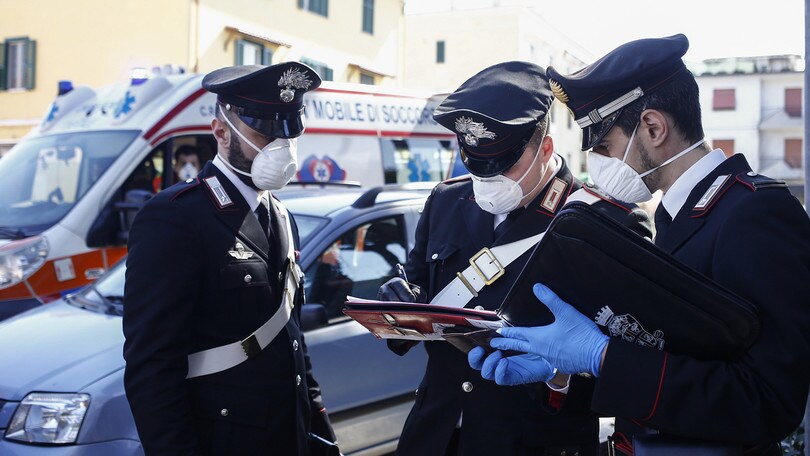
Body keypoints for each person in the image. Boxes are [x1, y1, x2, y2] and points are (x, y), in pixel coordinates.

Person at [469, 34, 810, 455]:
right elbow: (665, 356)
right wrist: (559, 371)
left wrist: (602, 356)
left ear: (653, 127)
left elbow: (768, 401)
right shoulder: (675, 216)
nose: (599, 163)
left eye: (605, 146)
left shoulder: (755, 213)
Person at [376, 61, 652, 456]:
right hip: (434, 436)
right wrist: (398, 303)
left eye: (504, 165)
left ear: (546, 149)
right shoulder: (447, 201)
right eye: (476, 166)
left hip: (534, 441)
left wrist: (560, 375)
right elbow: (419, 284)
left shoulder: (608, 223)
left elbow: (633, 368)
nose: (488, 181)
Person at [123, 62, 337, 455]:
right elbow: (152, 367)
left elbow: (292, 342)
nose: (282, 147)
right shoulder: (176, 217)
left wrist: (321, 435)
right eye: (265, 133)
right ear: (221, 132)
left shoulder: (281, 215)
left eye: (290, 132)